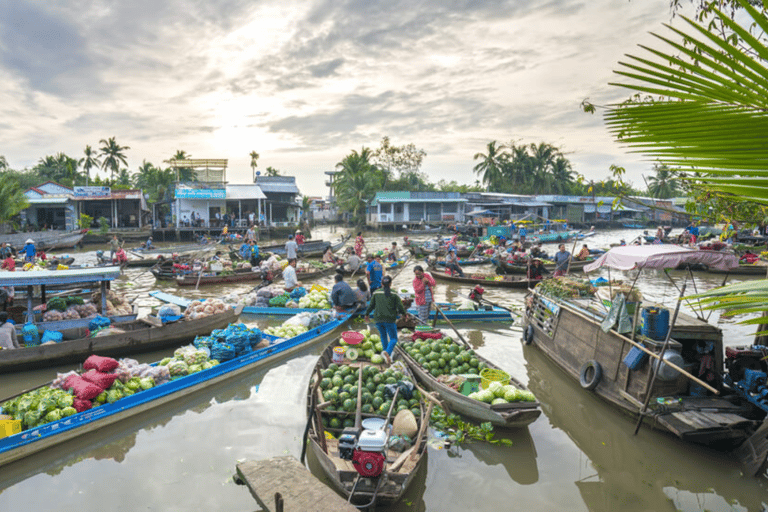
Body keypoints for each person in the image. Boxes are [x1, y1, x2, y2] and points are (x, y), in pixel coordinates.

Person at [364, 276, 405, 363]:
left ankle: (386, 355)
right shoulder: (394, 293)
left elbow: (371, 305)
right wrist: (404, 314)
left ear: (381, 284)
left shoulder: (376, 293)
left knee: (383, 336)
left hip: (378, 318)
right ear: (390, 284)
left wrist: (367, 314)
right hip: (389, 319)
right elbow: (400, 307)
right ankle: (387, 352)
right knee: (393, 338)